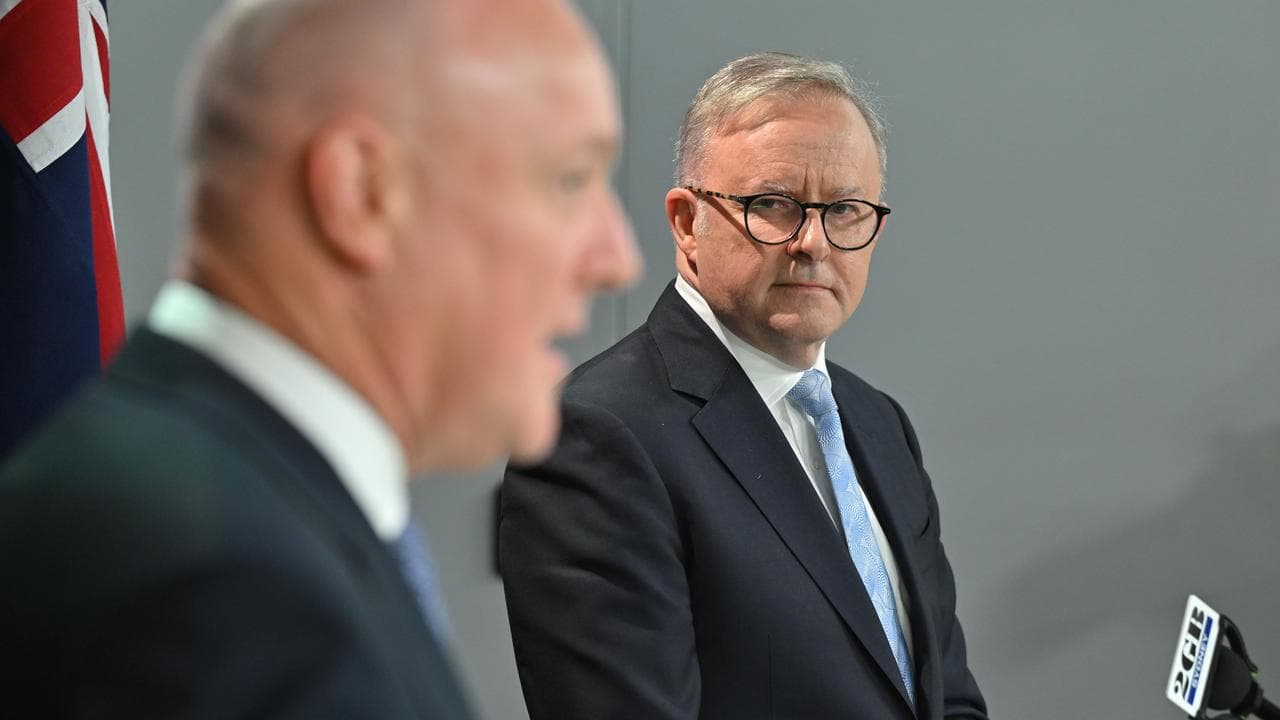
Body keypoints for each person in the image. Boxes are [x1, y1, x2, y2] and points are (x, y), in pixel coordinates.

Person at [0, 0, 637, 717]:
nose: (617, 258)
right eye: (570, 180)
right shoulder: (224, 591)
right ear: (363, 191)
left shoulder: (224, 504)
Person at [500, 52, 988, 720]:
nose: (812, 242)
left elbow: (947, 698)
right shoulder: (595, 434)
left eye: (844, 209)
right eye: (773, 205)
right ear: (685, 222)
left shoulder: (879, 424)